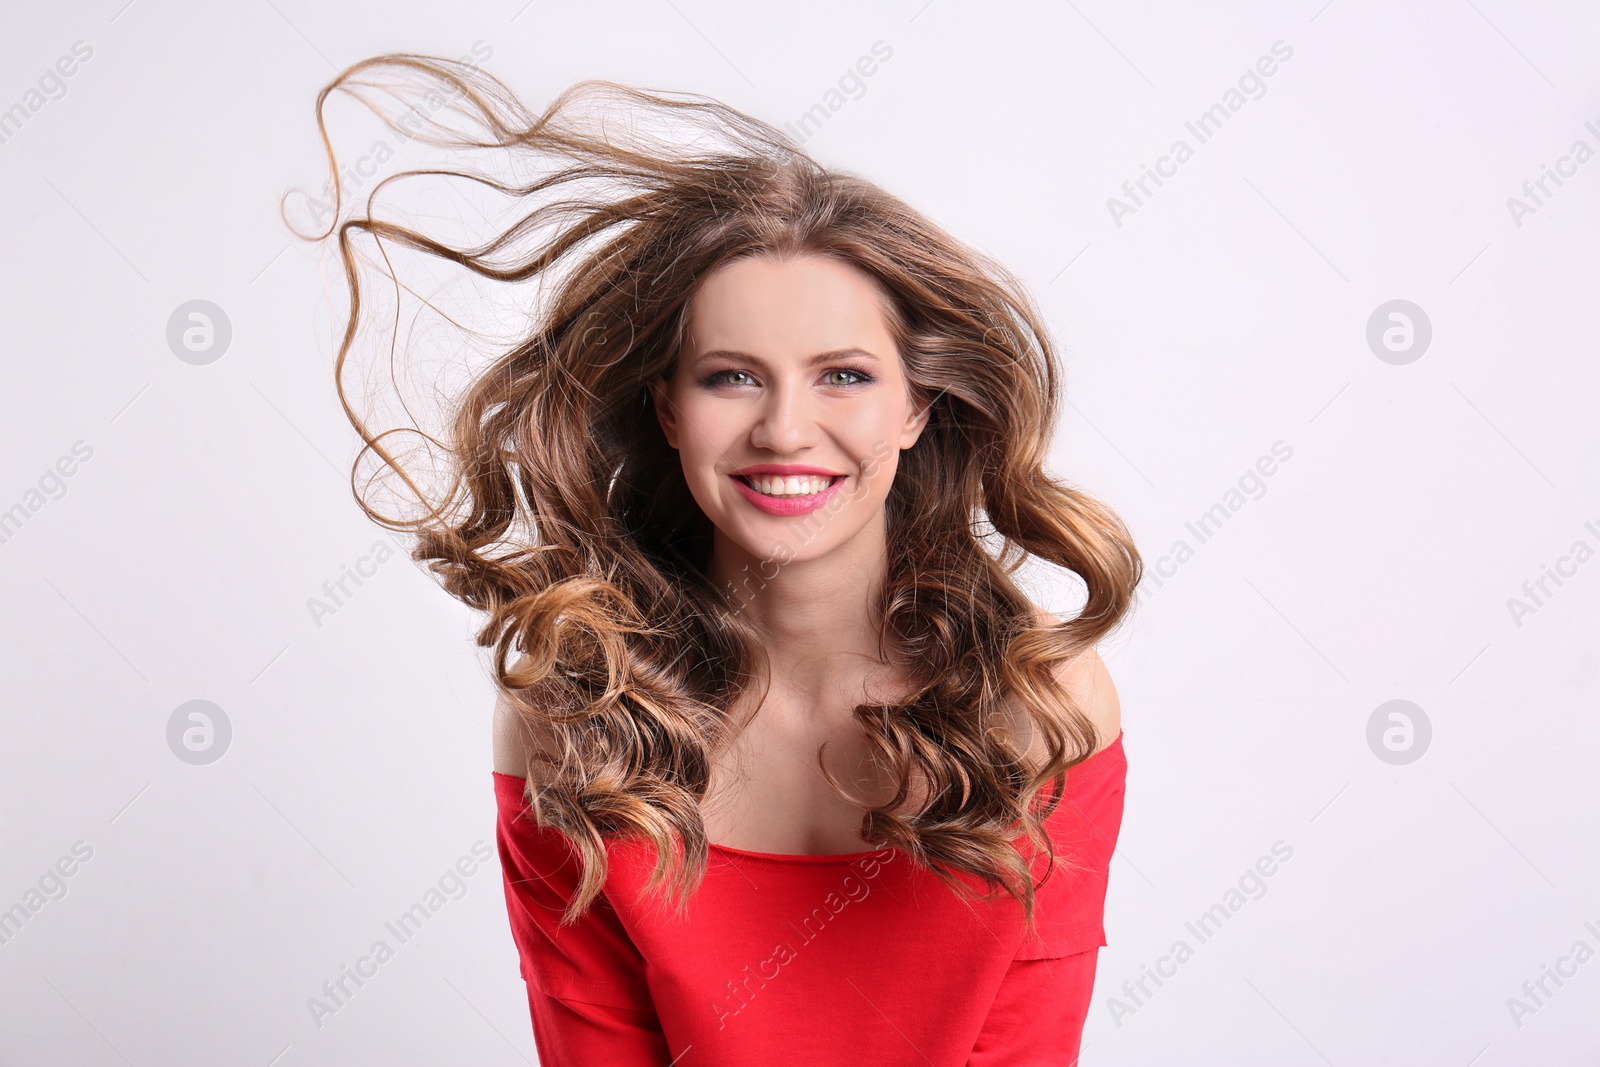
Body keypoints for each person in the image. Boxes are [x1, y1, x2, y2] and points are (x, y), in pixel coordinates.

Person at [300, 53, 1141, 1065]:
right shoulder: (575, 719)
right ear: (666, 406)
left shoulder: (1039, 702)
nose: (786, 427)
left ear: (916, 405)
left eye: (843, 375)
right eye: (732, 376)